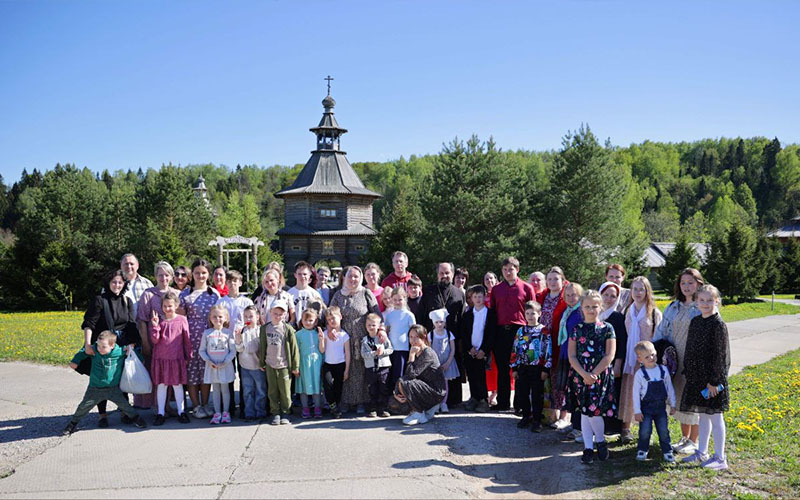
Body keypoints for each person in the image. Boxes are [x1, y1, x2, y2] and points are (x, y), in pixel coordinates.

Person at [78, 269, 140, 427]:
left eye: (120, 282)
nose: (117, 285)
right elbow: (89, 324)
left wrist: (132, 344)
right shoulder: (99, 300)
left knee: (121, 378)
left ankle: (125, 411)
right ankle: (102, 415)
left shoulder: (127, 301)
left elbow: (132, 325)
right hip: (102, 347)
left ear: (124, 284)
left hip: (120, 346)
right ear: (108, 283)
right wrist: (87, 344)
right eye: (114, 282)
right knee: (102, 380)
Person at [653, 267, 704, 455]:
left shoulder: (703, 304)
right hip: (675, 359)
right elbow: (661, 330)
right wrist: (652, 349)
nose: (686, 286)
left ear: (699, 283)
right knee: (680, 397)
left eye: (691, 282)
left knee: (694, 399)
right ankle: (684, 438)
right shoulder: (673, 306)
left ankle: (694, 440)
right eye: (683, 283)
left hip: (695, 361)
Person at [680, 285, 730, 470]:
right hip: (698, 379)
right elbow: (690, 349)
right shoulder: (696, 321)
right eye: (702, 300)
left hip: (713, 381)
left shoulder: (718, 325)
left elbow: (720, 356)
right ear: (696, 301)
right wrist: (690, 373)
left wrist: (714, 382)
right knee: (703, 417)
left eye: (710, 300)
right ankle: (702, 453)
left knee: (716, 418)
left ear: (716, 301)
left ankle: (720, 457)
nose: (706, 304)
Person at [63, 331, 147, 435]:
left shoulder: (120, 351)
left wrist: (135, 354)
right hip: (95, 389)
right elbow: (83, 352)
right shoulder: (94, 351)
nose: (100, 348)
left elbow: (134, 354)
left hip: (113, 388)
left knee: (125, 406)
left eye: (103, 346)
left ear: (112, 345)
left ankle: (136, 418)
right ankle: (72, 423)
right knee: (83, 407)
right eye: (98, 345)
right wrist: (75, 361)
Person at [568, 290, 616, 465]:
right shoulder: (577, 329)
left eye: (594, 306)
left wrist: (594, 374)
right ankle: (588, 448)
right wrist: (584, 374)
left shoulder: (607, 328)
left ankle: (600, 441)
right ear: (581, 307)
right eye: (587, 306)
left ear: (600, 307)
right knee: (584, 412)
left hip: (599, 375)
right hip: (580, 375)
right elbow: (572, 356)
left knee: (594, 411)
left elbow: (609, 355)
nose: (591, 310)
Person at [329, 266, 381, 414]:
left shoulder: (366, 293)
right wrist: (330, 328)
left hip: (362, 338)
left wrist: (381, 329)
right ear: (344, 278)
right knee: (345, 369)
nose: (353, 279)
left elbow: (377, 313)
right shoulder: (338, 295)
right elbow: (329, 314)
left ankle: (361, 402)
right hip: (342, 339)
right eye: (350, 276)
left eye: (356, 277)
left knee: (361, 371)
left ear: (360, 278)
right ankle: (345, 402)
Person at [619, 276, 662, 443]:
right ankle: (626, 429)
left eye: (641, 289)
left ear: (647, 291)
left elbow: (658, 337)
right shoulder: (628, 310)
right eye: (635, 289)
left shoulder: (653, 312)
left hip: (647, 362)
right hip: (631, 360)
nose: (638, 292)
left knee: (647, 396)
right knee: (629, 393)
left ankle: (646, 431)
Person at [490, 257, 536, 412]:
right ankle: (503, 403)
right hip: (501, 331)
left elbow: (534, 310)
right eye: (504, 270)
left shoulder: (527, 288)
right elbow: (493, 312)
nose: (507, 272)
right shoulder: (497, 289)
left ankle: (520, 405)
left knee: (520, 368)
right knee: (503, 369)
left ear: (517, 269)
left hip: (521, 332)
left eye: (511, 269)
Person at [135, 261, 181, 410]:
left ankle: (169, 406)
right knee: (156, 375)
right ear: (155, 276)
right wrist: (146, 343)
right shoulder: (148, 294)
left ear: (171, 277)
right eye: (160, 275)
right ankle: (157, 407)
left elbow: (181, 319)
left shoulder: (177, 294)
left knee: (172, 375)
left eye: (167, 275)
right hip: (154, 341)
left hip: (173, 343)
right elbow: (141, 319)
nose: (164, 278)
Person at [179, 259, 220, 419]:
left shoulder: (213, 294)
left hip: (209, 336)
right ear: (192, 274)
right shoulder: (185, 294)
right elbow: (180, 319)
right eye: (197, 272)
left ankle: (205, 403)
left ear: (208, 274)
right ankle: (196, 406)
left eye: (204, 272)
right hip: (191, 337)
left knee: (206, 371)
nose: (200, 275)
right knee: (192, 372)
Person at [420, 262, 465, 407]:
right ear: (437, 274)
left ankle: (453, 400)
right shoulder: (428, 291)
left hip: (452, 340)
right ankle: (432, 399)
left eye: (447, 273)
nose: (444, 276)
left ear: (452, 274)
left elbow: (462, 317)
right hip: (432, 340)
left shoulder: (458, 293)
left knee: (452, 369)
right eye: (441, 273)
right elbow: (421, 316)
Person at [148, 291, 192, 425]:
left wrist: (188, 356)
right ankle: (160, 413)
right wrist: (155, 326)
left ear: (176, 305)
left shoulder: (182, 320)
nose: (168, 308)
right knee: (162, 386)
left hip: (176, 358)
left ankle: (181, 411)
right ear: (161, 307)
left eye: (170, 306)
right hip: (161, 359)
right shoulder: (159, 321)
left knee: (178, 386)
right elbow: (155, 340)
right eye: (165, 306)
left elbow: (187, 339)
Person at [632, 340, 677, 463]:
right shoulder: (640, 374)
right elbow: (635, 394)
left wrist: (673, 404)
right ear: (640, 359)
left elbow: (669, 388)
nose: (651, 358)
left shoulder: (663, 370)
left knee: (663, 430)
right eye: (647, 357)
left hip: (660, 407)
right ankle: (642, 449)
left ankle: (667, 451)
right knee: (645, 431)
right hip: (646, 408)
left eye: (653, 354)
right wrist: (637, 411)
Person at [218, 270, 254, 417]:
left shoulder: (246, 302)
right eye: (229, 281)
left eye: (235, 281)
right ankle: (229, 406)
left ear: (240, 283)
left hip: (243, 342)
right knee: (228, 375)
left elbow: (252, 320)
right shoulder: (221, 302)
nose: (232, 284)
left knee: (245, 374)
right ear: (225, 283)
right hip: (226, 343)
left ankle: (246, 406)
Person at [511, 301, 551, 432]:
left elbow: (548, 350)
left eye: (533, 313)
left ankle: (537, 420)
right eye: (527, 313)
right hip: (523, 367)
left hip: (537, 368)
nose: (530, 316)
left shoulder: (544, 331)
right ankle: (526, 416)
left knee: (537, 395)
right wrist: (514, 367)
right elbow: (515, 349)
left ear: (539, 314)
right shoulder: (521, 330)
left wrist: (546, 368)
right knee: (522, 393)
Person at [395, 325, 447, 426]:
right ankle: (420, 410)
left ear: (423, 337)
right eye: (411, 337)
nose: (413, 340)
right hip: (424, 387)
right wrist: (397, 392)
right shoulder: (418, 351)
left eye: (416, 337)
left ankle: (419, 413)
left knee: (406, 383)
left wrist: (411, 356)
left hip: (435, 392)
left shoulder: (428, 353)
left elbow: (410, 375)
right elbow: (406, 376)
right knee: (399, 390)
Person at [258, 299, 299, 425]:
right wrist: (261, 362)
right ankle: (275, 412)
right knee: (272, 391)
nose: (278, 316)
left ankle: (286, 412)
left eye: (281, 314)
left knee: (285, 391)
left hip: (284, 365)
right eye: (275, 313)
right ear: (270, 312)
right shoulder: (265, 328)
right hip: (270, 364)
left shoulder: (287, 329)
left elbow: (294, 348)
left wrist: (295, 366)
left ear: (285, 315)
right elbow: (263, 346)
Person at [537, 267, 569, 424]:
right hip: (543, 344)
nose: (552, 282)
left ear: (562, 280)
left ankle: (563, 416)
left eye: (556, 279)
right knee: (545, 379)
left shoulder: (566, 298)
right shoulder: (543, 297)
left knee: (560, 380)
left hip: (559, 344)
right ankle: (548, 414)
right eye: (549, 279)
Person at [552, 282, 583, 434]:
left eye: (574, 295)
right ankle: (572, 422)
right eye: (568, 295)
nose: (571, 298)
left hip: (576, 356)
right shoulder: (567, 311)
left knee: (576, 390)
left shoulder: (581, 312)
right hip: (565, 352)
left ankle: (578, 426)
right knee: (568, 389)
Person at [599, 281, 628, 437]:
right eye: (606, 295)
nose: (609, 299)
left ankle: (610, 429)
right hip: (593, 363)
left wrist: (618, 365)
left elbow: (622, 343)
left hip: (610, 363)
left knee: (609, 395)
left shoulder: (617, 317)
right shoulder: (592, 314)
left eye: (613, 296)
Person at [199, 304, 236, 425]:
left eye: (220, 316)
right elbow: (202, 350)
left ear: (225, 318)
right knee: (215, 390)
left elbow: (232, 350)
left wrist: (225, 362)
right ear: (210, 318)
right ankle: (217, 412)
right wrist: (208, 361)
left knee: (225, 390)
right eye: (214, 316)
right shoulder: (207, 333)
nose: (217, 319)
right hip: (212, 367)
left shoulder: (228, 333)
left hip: (225, 366)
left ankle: (226, 412)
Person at [460, 285, 495, 413]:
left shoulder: (490, 314)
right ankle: (474, 397)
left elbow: (492, 334)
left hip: (483, 351)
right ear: (471, 298)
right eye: (475, 297)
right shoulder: (468, 314)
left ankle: (483, 400)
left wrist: (483, 350)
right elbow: (464, 333)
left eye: (480, 296)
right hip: (471, 351)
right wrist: (470, 348)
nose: (478, 299)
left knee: (481, 376)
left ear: (485, 297)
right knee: (472, 375)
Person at [235, 305, 267, 421]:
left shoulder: (260, 331)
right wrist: (238, 338)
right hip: (245, 366)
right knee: (247, 391)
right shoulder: (242, 331)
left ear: (257, 317)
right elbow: (239, 349)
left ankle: (260, 411)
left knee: (261, 391)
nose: (248, 319)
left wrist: (263, 363)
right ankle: (249, 412)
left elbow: (263, 349)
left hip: (258, 366)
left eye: (251, 316)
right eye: (246, 316)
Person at [383, 286, 416, 395]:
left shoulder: (409, 315)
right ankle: (392, 398)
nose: (397, 302)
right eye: (395, 299)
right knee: (391, 375)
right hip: (391, 350)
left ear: (405, 299)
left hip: (403, 349)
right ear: (391, 299)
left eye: (400, 299)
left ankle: (402, 397)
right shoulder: (390, 315)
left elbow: (414, 332)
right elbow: (386, 331)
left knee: (400, 375)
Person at [294, 308, 325, 419]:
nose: (308, 323)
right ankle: (305, 408)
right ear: (301, 321)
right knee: (303, 386)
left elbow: (322, 350)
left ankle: (317, 407)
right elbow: (296, 351)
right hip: (303, 363)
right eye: (305, 320)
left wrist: (321, 340)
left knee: (316, 385)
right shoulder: (298, 334)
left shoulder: (318, 333)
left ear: (315, 321)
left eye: (311, 320)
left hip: (316, 363)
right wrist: (295, 366)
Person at [361, 314, 394, 417]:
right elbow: (363, 354)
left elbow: (391, 349)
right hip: (371, 368)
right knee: (372, 389)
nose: (371, 327)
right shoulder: (365, 340)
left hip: (383, 367)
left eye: (373, 325)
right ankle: (373, 408)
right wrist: (374, 353)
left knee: (383, 387)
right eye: (369, 325)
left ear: (378, 326)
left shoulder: (382, 338)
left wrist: (383, 351)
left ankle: (383, 408)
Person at [428, 308, 460, 413]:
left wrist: (448, 363)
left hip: (447, 363)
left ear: (444, 322)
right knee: (435, 384)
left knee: (445, 384)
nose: (439, 324)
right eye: (436, 322)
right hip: (435, 364)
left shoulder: (449, 334)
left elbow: (452, 349)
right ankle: (436, 403)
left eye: (441, 321)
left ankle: (444, 403)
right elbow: (428, 350)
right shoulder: (430, 335)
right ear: (433, 323)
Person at [321, 306, 350, 418]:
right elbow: (322, 350)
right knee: (328, 385)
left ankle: (336, 407)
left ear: (340, 317)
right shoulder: (325, 334)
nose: (331, 321)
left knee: (338, 387)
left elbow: (347, 353)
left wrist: (346, 370)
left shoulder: (344, 335)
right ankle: (332, 405)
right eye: (328, 319)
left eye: (333, 318)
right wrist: (321, 340)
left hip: (340, 364)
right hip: (328, 364)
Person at [120, 253, 154, 318]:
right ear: (121, 266)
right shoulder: (114, 284)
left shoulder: (147, 283)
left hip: (143, 326)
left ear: (137, 266)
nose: (129, 266)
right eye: (126, 264)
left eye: (131, 264)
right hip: (119, 327)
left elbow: (154, 306)